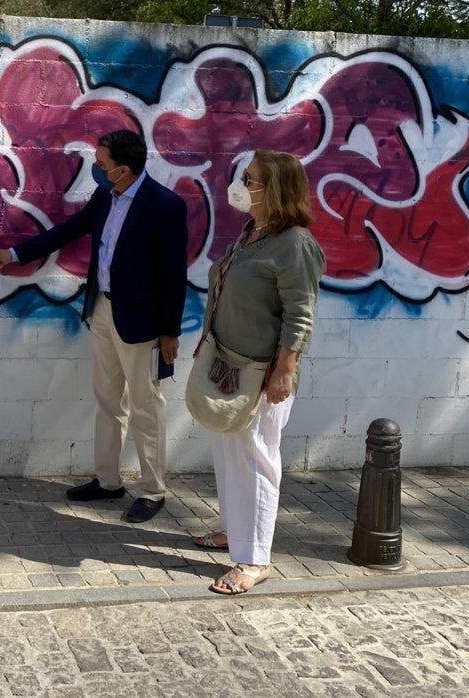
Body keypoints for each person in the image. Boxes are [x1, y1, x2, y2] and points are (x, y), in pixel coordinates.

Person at [0, 129, 189, 523]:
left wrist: (169, 331)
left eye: (101, 165)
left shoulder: (165, 206)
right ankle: (108, 481)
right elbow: (69, 232)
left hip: (142, 323)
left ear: (123, 170)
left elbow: (172, 274)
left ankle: (153, 490)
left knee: (146, 407)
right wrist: (14, 254)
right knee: (109, 401)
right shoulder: (104, 197)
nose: (95, 169)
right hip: (103, 309)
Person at [190, 149, 325, 595]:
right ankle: (232, 530)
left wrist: (284, 370)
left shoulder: (295, 245)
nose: (242, 185)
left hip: (262, 373)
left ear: (276, 189)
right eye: (245, 177)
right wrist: (207, 339)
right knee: (228, 449)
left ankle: (254, 559)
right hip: (227, 363)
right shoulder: (252, 233)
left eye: (250, 179)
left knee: (256, 458)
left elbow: (300, 314)